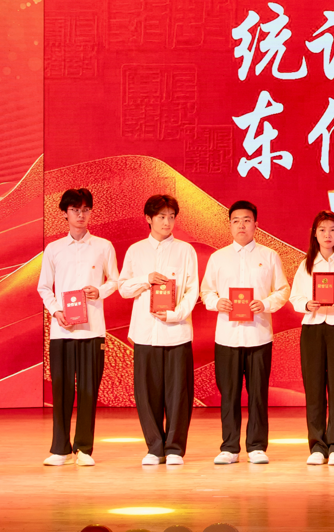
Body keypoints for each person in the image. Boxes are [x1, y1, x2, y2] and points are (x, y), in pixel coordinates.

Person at [199, 199, 289, 465]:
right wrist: (217, 302)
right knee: (229, 394)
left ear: (256, 225)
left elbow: (283, 289)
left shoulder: (269, 256)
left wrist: (265, 304)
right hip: (227, 337)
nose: (241, 225)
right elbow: (206, 291)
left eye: (247, 220)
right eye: (236, 221)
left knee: (258, 393)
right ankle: (229, 447)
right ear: (229, 225)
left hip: (258, 335)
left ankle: (257, 446)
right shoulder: (218, 258)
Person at [37, 188, 119, 467]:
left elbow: (115, 280)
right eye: (75, 210)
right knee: (61, 390)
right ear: (65, 213)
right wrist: (55, 311)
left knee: (88, 390)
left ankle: (84, 448)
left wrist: (100, 291)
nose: (80, 215)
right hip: (62, 330)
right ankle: (60, 449)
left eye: (85, 209)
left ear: (91, 212)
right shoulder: (54, 249)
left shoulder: (103, 246)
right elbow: (44, 287)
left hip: (92, 329)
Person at [118, 194, 199, 466]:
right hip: (145, 332)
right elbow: (123, 288)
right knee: (147, 393)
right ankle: (154, 447)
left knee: (179, 394)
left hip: (177, 332)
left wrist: (175, 314)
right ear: (148, 219)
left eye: (171, 217)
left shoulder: (185, 251)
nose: (167, 222)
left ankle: (174, 448)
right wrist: (146, 279)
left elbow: (192, 291)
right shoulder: (136, 251)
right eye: (162, 217)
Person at [288, 210, 334, 466]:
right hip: (313, 328)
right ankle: (317, 446)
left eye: (332, 229)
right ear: (314, 234)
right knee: (314, 388)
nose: (327, 234)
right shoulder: (307, 264)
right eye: (322, 230)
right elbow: (295, 297)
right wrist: (306, 304)